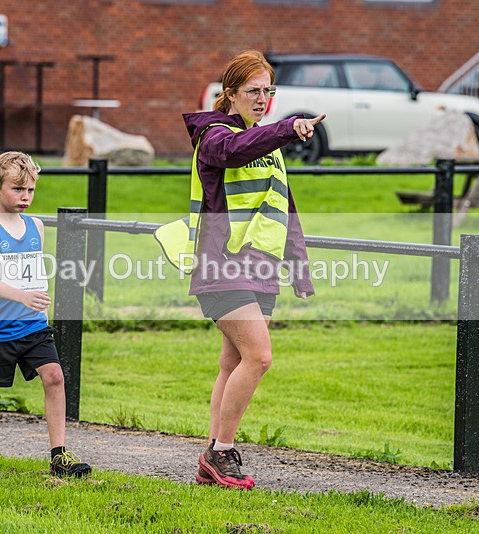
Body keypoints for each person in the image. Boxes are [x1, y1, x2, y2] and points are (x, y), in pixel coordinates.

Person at [155, 50, 323, 490]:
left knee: (233, 362)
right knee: (260, 357)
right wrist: (286, 127)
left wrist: (299, 269)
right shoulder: (214, 135)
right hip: (221, 265)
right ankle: (221, 452)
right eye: (253, 91)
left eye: (269, 91)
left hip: (260, 268)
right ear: (229, 94)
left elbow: (284, 210)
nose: (263, 99)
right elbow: (232, 152)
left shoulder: (267, 145)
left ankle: (212, 456)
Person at [0, 151, 92, 478]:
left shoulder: (36, 225)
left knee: (55, 376)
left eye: (30, 190)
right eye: (18, 189)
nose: (25, 196)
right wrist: (23, 297)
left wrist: (40, 304)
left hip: (33, 325)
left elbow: (34, 273)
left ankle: (59, 456)